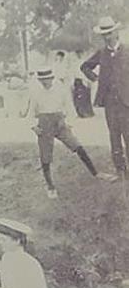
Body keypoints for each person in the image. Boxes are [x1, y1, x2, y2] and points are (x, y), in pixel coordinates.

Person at [22, 67, 115, 198]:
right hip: (44, 123)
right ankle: (50, 186)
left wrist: (68, 123)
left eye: (47, 79)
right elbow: (30, 113)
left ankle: (96, 173)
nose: (45, 82)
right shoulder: (36, 92)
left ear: (52, 78)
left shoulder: (61, 89)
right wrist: (34, 127)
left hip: (60, 122)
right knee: (45, 156)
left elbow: (69, 107)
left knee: (78, 146)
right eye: (42, 80)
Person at [80, 16, 129, 179]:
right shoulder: (101, 53)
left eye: (109, 33)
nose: (107, 37)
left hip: (126, 102)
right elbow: (85, 66)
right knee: (114, 135)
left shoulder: (127, 50)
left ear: (116, 32)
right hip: (110, 103)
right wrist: (95, 79)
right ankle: (120, 169)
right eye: (104, 34)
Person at [72, 50, 95, 118]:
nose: (79, 55)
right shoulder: (75, 63)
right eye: (78, 54)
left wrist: (88, 81)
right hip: (78, 81)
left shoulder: (85, 62)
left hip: (85, 81)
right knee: (78, 97)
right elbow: (74, 73)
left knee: (86, 97)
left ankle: (87, 112)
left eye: (80, 54)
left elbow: (88, 72)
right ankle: (80, 113)